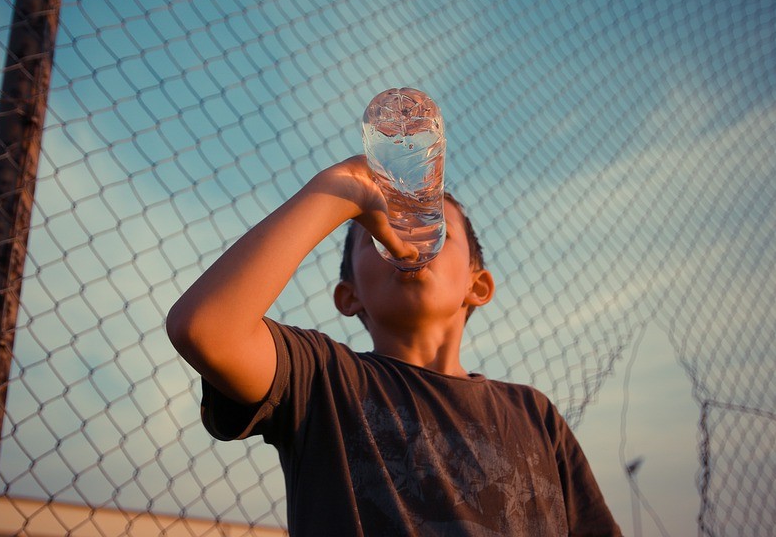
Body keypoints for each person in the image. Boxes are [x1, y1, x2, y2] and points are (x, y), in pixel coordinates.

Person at [166, 155, 622, 536]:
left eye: (432, 225)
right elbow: (205, 329)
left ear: (477, 285)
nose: (407, 237)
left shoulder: (535, 415)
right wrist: (339, 191)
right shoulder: (322, 380)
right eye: (378, 230)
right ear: (349, 296)